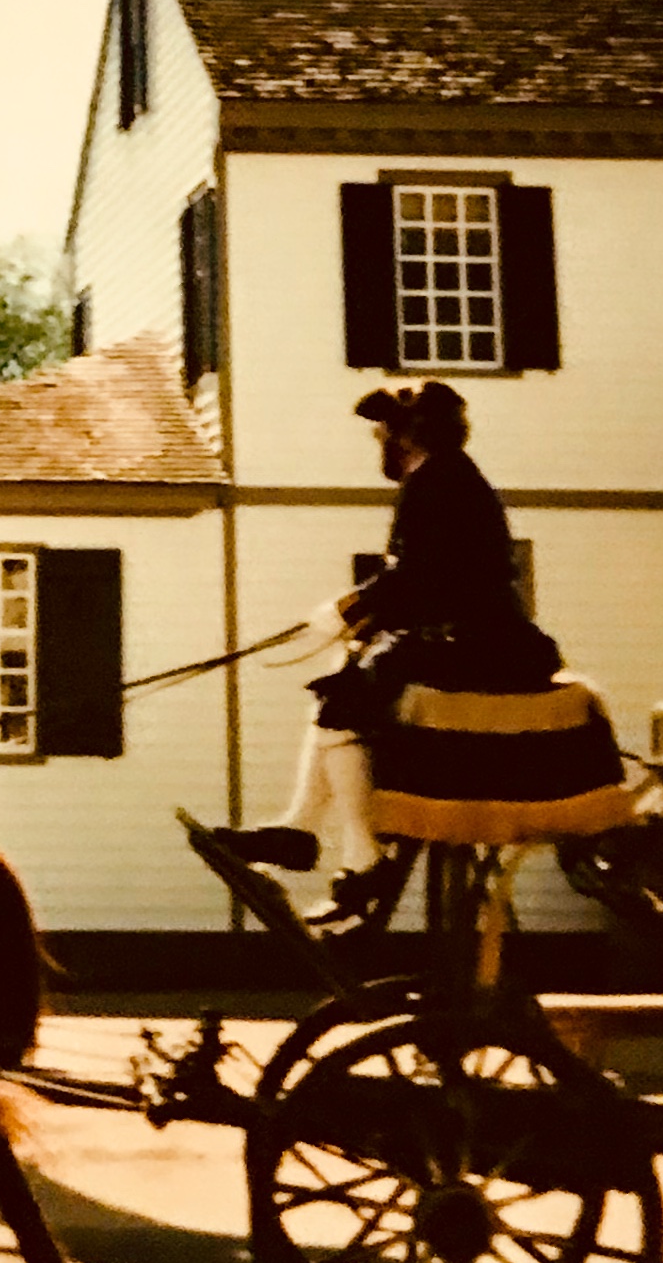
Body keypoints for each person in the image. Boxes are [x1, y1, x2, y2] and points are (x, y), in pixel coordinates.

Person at [213, 382, 561, 923]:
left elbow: (419, 576)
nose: (380, 442)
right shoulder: (449, 477)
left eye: (385, 432)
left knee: (345, 699)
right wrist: (361, 613)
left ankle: (357, 856)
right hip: (471, 637)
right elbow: (427, 578)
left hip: (480, 645)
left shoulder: (438, 481)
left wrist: (350, 609)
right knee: (342, 684)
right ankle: (304, 827)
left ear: (405, 436)